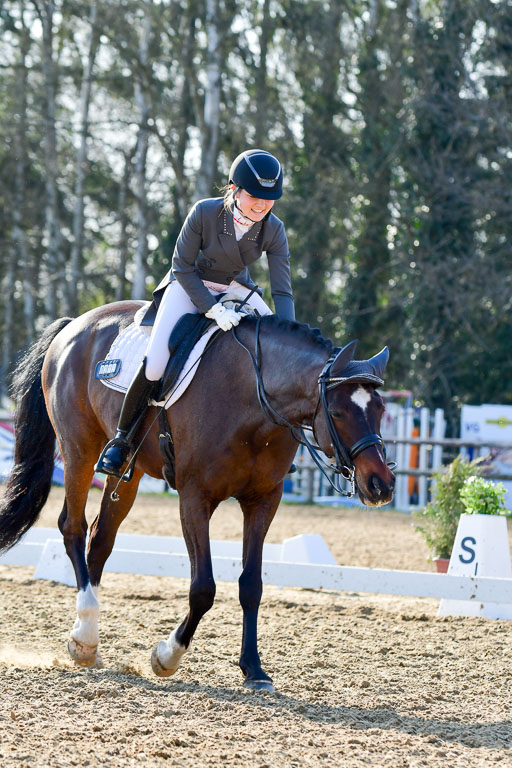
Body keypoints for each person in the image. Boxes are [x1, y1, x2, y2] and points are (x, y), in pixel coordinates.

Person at [96, 148, 295, 478]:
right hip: (189, 285)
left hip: (236, 287)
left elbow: (283, 290)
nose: (261, 205)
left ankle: (275, 440)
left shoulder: (273, 228)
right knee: (157, 360)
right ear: (234, 189)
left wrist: (288, 334)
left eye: (269, 199)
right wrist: (212, 309)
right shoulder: (205, 213)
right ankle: (122, 441)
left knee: (276, 353)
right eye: (254, 196)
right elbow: (182, 267)